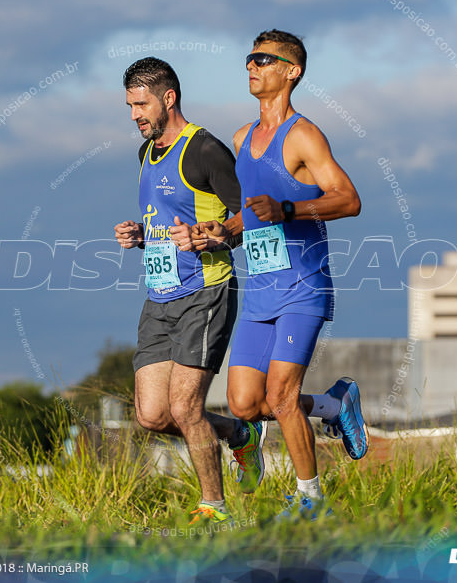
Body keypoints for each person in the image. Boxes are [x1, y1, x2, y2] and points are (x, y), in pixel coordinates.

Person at [188, 30, 368, 521]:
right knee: (245, 405)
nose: (252, 66)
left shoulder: (304, 135)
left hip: (303, 286)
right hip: (261, 290)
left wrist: (289, 207)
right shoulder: (243, 139)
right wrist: (220, 232)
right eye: (249, 58)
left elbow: (348, 200)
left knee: (282, 396)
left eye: (264, 59)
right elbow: (249, 219)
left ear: (292, 72)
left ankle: (311, 499)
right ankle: (333, 406)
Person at [114, 57, 266, 525]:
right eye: (129, 106)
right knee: (153, 416)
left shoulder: (204, 150)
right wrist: (143, 233)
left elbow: (253, 219)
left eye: (141, 104)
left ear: (168, 98)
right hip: (159, 296)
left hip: (207, 290)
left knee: (185, 406)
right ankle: (238, 434)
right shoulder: (145, 153)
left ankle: (214, 507)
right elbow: (169, 216)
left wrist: (214, 235)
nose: (135, 115)